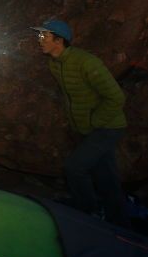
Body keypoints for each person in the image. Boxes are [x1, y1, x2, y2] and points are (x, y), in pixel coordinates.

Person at [31, 19, 130, 227]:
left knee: (74, 168)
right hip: (87, 129)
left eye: (44, 36)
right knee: (106, 177)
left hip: (107, 127)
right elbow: (71, 96)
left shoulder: (86, 62)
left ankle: (88, 212)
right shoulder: (54, 64)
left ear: (58, 40)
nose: (39, 40)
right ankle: (119, 220)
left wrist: (95, 120)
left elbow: (116, 97)